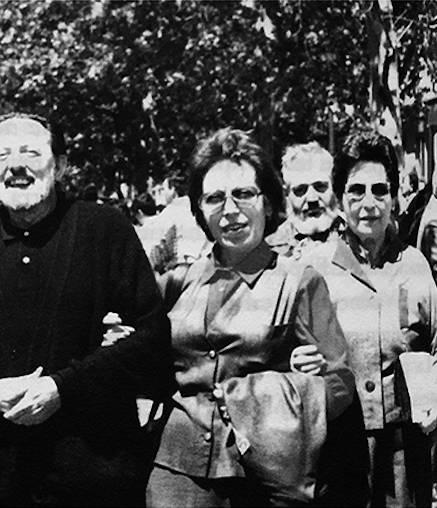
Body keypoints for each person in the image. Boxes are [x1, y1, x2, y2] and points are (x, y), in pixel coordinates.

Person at [0, 112, 171, 506]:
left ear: (61, 164)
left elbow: (152, 342)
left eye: (31, 152)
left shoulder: (105, 231)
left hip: (97, 482)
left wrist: (62, 388)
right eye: (1, 157)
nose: (16, 166)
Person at [147, 127, 355, 507]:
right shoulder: (178, 281)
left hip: (263, 477)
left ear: (268, 202)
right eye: (214, 198)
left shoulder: (299, 281)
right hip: (176, 475)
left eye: (244, 194)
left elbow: (340, 382)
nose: (230, 210)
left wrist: (295, 388)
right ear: (198, 208)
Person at [292, 128, 437, 507]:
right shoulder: (314, 269)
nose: (368, 203)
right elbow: (287, 354)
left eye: (379, 190)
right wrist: (298, 363)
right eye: (356, 191)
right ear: (340, 200)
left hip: (406, 452)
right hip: (339, 450)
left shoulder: (416, 265)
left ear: (395, 197)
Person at [267, 141, 343, 257]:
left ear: (334, 187)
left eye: (320, 187)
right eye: (300, 190)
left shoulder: (358, 234)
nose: (312, 199)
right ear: (286, 195)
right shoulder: (271, 249)